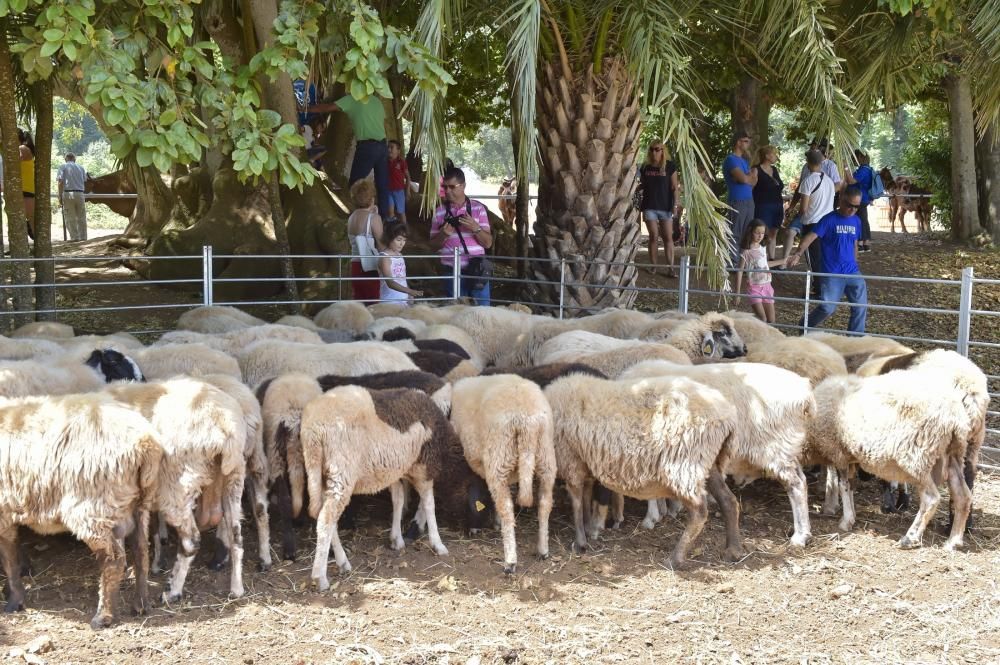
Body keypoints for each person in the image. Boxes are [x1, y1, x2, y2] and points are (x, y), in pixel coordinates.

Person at [787, 187, 868, 333]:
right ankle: (804, 327)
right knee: (827, 308)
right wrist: (798, 254)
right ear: (842, 200)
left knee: (860, 307)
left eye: (857, 206)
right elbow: (810, 237)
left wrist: (855, 262)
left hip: (852, 271)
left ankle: (856, 341)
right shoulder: (829, 219)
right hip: (831, 272)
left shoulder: (856, 220)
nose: (853, 209)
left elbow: (854, 243)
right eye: (850, 205)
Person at [308, 92, 390, 215]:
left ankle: (359, 217)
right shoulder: (376, 101)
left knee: (355, 184)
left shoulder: (353, 98)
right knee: (383, 185)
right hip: (383, 146)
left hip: (367, 147)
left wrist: (304, 109)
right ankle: (384, 219)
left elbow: (327, 107)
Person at [430, 167, 493, 305]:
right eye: (444, 187)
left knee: (482, 315)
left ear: (463, 186)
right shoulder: (439, 212)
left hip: (478, 271)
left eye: (452, 187)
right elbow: (433, 246)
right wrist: (443, 235)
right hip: (451, 272)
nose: (447, 191)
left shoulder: (478, 209)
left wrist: (475, 228)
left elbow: (488, 243)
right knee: (455, 316)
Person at [782, 150, 835, 284]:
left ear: (808, 163)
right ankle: (827, 284)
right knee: (825, 256)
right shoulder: (829, 181)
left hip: (812, 223)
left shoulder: (808, 181)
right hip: (828, 223)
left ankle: (819, 288)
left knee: (814, 258)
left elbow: (804, 208)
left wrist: (795, 216)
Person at [638, 140, 680, 276]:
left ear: (663, 151)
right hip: (649, 206)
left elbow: (674, 187)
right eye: (651, 149)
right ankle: (653, 266)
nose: (654, 152)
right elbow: (643, 185)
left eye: (657, 149)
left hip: (665, 207)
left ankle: (671, 268)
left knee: (668, 237)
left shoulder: (670, 166)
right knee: (653, 236)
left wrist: (675, 205)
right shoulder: (645, 167)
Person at [734, 220, 787, 324]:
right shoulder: (746, 252)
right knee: (763, 319)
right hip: (754, 288)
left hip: (767, 286)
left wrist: (783, 261)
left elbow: (765, 265)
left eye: (762, 233)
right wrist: (738, 293)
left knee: (771, 321)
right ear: (750, 232)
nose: (760, 236)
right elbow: (739, 271)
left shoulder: (763, 248)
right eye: (757, 233)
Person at [722, 132, 757, 266]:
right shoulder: (731, 159)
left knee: (748, 233)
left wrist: (749, 178)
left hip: (749, 200)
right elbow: (743, 179)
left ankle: (743, 262)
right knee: (735, 232)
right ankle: (731, 262)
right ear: (738, 142)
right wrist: (749, 177)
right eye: (746, 141)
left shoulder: (744, 161)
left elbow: (753, 181)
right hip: (737, 200)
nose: (748, 144)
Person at [346, 179, 384, 303]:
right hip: (370, 267)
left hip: (355, 265)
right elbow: (381, 245)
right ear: (372, 198)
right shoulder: (374, 218)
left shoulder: (351, 218)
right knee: (374, 304)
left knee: (360, 302)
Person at [752, 145, 784, 260]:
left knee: (773, 233)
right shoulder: (756, 170)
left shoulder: (774, 170)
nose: (776, 157)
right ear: (767, 156)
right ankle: (759, 260)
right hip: (763, 206)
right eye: (774, 154)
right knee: (761, 233)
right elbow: (751, 188)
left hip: (777, 206)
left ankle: (771, 259)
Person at [378, 222, 422, 305]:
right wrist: (410, 291)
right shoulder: (385, 257)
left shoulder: (400, 255)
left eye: (404, 240)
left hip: (403, 300)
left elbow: (403, 278)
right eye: (398, 240)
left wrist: (409, 295)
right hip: (389, 302)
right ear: (389, 238)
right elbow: (390, 283)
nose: (402, 244)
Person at [56, 153, 90, 241]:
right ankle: (83, 237)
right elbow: (85, 180)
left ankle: (74, 237)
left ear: (66, 159)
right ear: (74, 159)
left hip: (68, 193)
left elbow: (60, 181)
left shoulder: (62, 166)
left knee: (70, 217)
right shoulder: (81, 168)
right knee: (81, 216)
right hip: (80, 193)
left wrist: (59, 196)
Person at [846, 149, 875, 252]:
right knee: (864, 219)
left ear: (860, 158)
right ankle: (866, 243)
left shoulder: (863, 170)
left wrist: (845, 168)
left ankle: (861, 243)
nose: (853, 160)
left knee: (859, 220)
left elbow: (851, 180)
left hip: (860, 198)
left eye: (854, 158)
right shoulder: (869, 169)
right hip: (865, 198)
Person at [386, 139, 410, 224]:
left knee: (401, 212)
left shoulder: (402, 162)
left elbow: (408, 177)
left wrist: (407, 191)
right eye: (388, 147)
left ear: (398, 151)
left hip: (399, 191)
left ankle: (405, 230)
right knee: (390, 212)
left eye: (392, 147)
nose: (389, 149)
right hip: (388, 191)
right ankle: (393, 230)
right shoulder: (384, 162)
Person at [18, 128, 35, 240]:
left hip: (26, 189)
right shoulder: (25, 148)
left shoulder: (22, 148)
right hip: (25, 188)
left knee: (28, 218)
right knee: (27, 218)